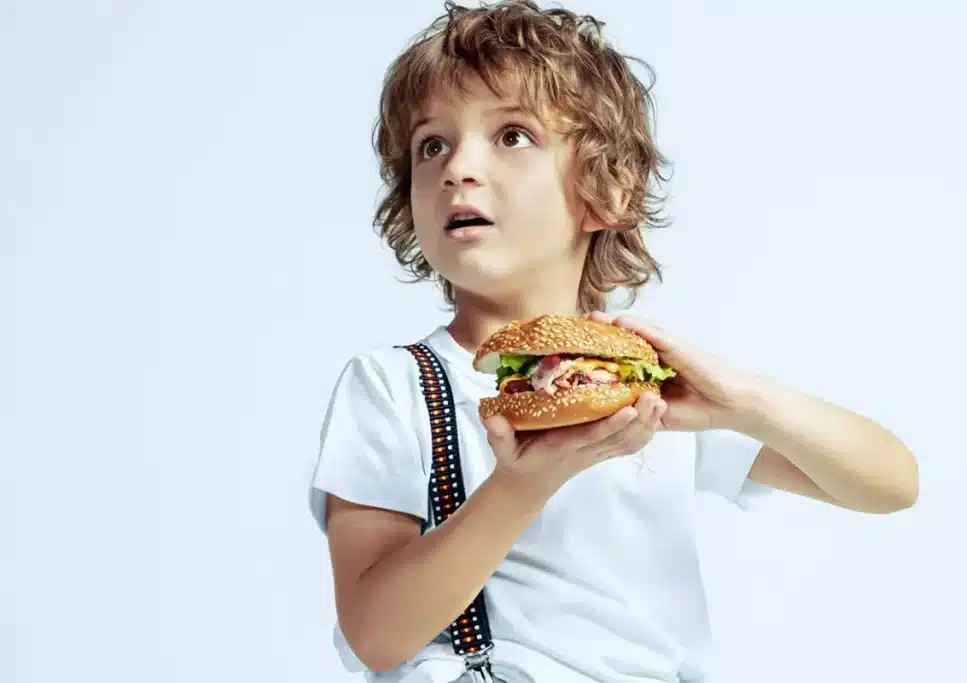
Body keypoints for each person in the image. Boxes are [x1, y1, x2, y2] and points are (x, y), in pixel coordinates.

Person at [307, 2, 919, 682]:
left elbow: (891, 482)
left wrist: (740, 402)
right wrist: (519, 487)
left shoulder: (649, 388)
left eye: (512, 135)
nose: (458, 168)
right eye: (432, 145)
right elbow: (375, 634)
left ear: (606, 192)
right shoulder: (394, 388)